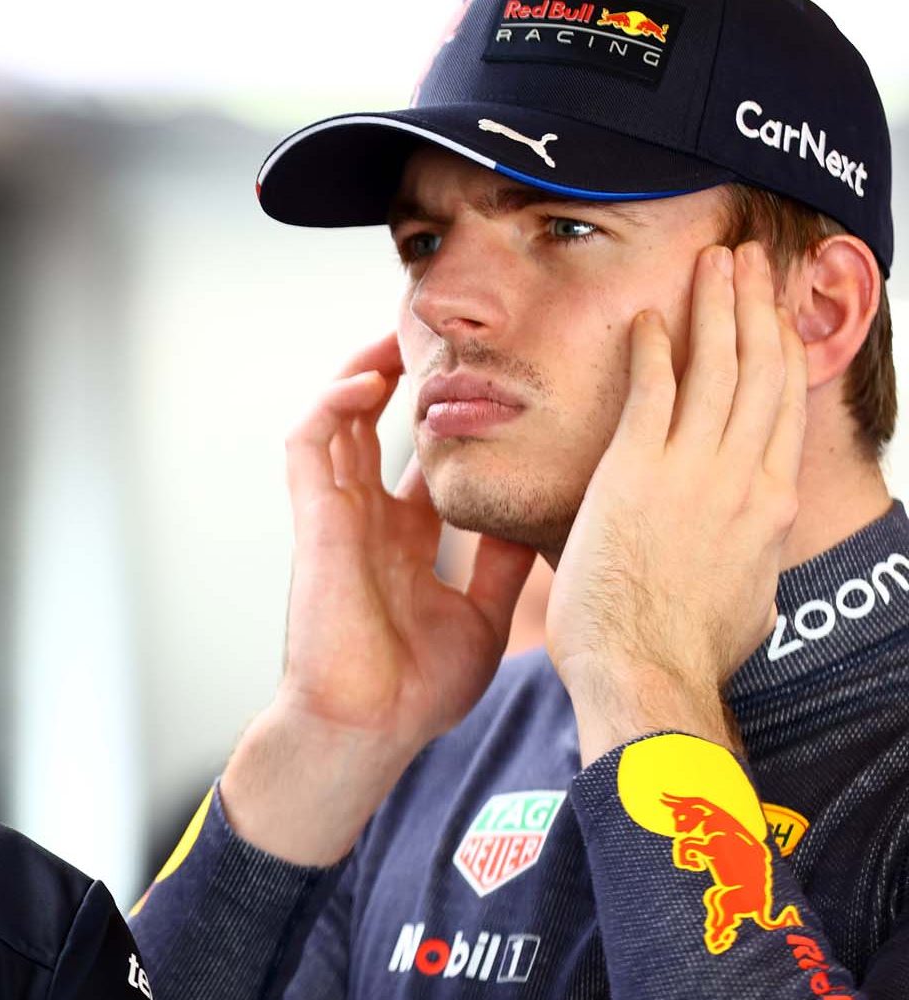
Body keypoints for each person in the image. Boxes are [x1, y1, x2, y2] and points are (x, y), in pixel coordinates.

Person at [126, 1, 909, 997]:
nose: (441, 299)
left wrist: (646, 687)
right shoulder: (422, 754)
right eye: (421, 240)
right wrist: (325, 732)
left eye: (565, 225)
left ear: (818, 309)